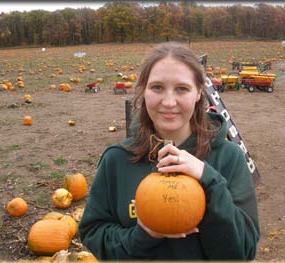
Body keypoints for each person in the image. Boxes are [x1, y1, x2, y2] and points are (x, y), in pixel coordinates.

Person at [78, 42, 260, 260]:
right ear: (143, 90)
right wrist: (143, 235)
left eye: (182, 89)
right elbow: (93, 234)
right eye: (157, 87)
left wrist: (210, 181)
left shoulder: (229, 158)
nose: (169, 102)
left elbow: (243, 252)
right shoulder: (117, 159)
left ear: (199, 92)